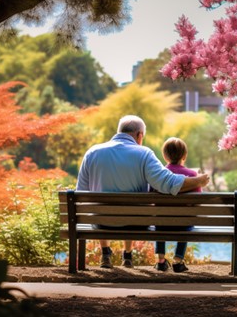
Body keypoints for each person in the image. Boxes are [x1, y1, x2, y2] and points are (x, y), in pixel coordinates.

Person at [76, 115, 209, 269]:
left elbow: (81, 193)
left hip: (100, 224)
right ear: (139, 135)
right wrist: (198, 180)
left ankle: (106, 253)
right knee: (133, 211)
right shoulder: (144, 154)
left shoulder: (92, 153)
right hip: (134, 224)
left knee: (100, 207)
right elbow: (167, 183)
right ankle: (127, 254)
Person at [154, 137, 201, 273]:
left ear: (164, 156)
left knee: (159, 220)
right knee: (186, 220)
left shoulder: (158, 175)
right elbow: (196, 201)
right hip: (183, 224)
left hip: (161, 223)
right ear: (184, 156)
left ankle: (161, 260)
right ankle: (178, 260)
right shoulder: (192, 175)